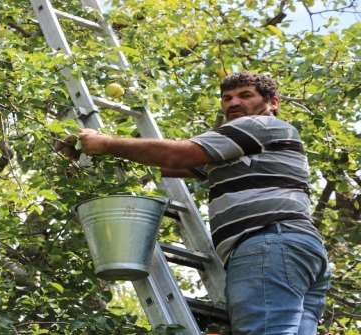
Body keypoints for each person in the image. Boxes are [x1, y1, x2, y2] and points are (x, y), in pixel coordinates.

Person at [57, 71, 331, 334]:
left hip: (269, 243)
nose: (234, 103)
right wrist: (98, 154)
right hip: (299, 251)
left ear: (272, 103)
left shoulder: (259, 125)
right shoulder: (244, 150)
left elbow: (179, 156)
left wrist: (107, 143)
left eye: (245, 95)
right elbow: (169, 167)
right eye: (227, 98)